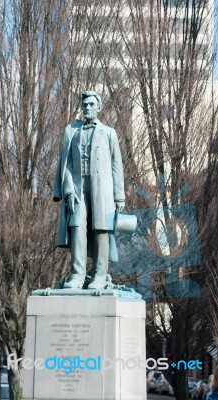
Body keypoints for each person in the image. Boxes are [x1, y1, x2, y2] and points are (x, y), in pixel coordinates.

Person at [53, 90, 125, 290]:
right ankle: (77, 274)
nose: (88, 108)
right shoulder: (71, 131)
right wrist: (67, 189)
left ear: (99, 107)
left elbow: (117, 165)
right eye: (85, 104)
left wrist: (119, 196)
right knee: (77, 228)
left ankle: (100, 275)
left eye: (92, 104)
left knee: (101, 230)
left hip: (102, 190)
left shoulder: (109, 132)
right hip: (77, 189)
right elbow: (65, 164)